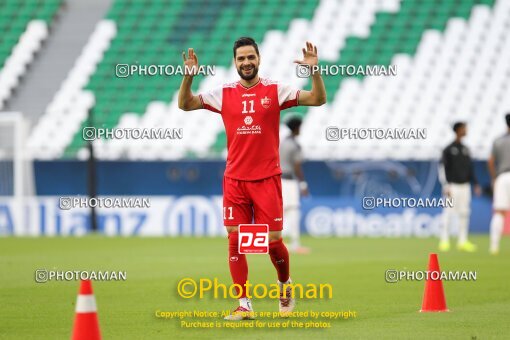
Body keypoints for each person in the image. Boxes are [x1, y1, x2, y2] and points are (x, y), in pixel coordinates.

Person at [178, 37, 326, 320]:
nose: (246, 63)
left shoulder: (274, 90)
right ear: (235, 63)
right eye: (241, 59)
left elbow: (318, 99)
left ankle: (285, 285)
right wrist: (187, 78)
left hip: (267, 178)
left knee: (272, 242)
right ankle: (243, 304)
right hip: (234, 179)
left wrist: (314, 72)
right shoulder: (223, 93)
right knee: (235, 238)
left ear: (259, 59)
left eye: (250, 57)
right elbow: (185, 104)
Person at [438, 122, 481, 252]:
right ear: (457, 130)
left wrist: (476, 183)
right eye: (464, 128)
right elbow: (442, 168)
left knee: (464, 213)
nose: (466, 130)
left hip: (465, 186)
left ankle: (462, 241)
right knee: (448, 213)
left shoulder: (466, 149)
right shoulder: (448, 149)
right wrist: (446, 185)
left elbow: (470, 168)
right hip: (453, 186)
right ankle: (444, 240)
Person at [280, 116, 310, 254]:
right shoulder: (294, 145)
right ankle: (295, 243)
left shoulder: (282, 143)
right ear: (297, 127)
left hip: (278, 179)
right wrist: (303, 184)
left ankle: (272, 240)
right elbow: (297, 166)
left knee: (281, 211)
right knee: (293, 211)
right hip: (289, 181)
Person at [488, 114, 510, 254]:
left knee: (500, 212)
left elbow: (490, 161)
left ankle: (494, 246)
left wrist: (494, 177)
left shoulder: (497, 141)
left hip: (502, 176)